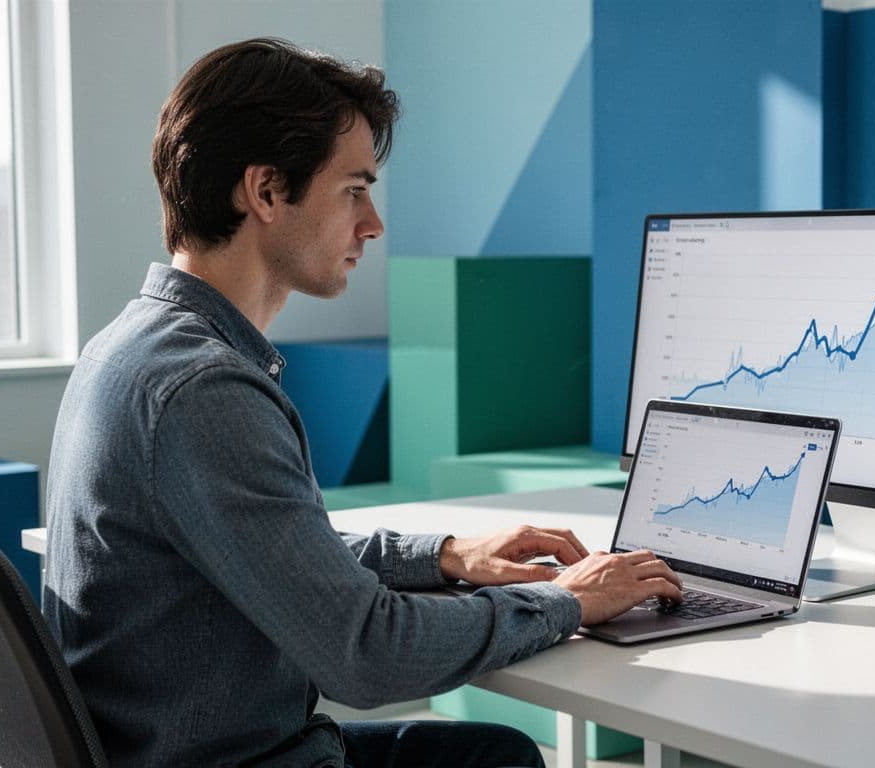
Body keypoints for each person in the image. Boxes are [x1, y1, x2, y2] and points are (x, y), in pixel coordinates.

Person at [42, 37, 683, 768]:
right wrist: (567, 600)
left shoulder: (132, 347)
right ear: (266, 191)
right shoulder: (203, 391)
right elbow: (367, 655)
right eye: (353, 190)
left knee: (490, 754)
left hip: (185, 746)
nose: (372, 224)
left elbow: (278, 551)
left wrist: (447, 556)